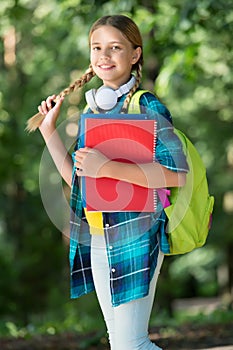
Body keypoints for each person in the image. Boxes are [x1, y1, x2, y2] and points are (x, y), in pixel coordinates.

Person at [37, 14, 188, 350]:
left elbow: (177, 172)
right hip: (98, 232)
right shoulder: (95, 112)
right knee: (121, 343)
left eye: (115, 47)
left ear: (135, 54)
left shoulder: (146, 105)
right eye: (97, 47)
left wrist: (106, 167)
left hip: (138, 232)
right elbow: (80, 182)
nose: (104, 55)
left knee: (131, 344)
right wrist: (49, 130)